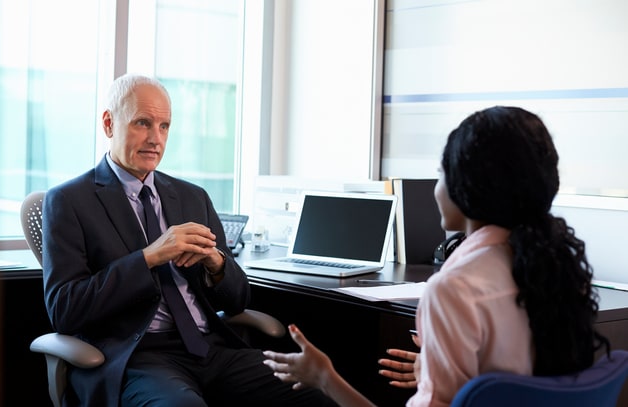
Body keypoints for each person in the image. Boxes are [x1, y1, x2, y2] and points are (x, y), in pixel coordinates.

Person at [262, 106, 611, 406]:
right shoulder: (561, 271)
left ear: (467, 186)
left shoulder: (453, 290)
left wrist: (325, 377)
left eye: (442, 172)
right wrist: (440, 372)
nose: (436, 186)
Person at [41, 73, 338, 407]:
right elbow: (64, 309)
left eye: (164, 126)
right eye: (143, 123)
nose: (156, 139)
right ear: (109, 123)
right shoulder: (68, 201)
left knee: (320, 392)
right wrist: (149, 257)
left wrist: (217, 266)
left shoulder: (192, 197)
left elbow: (238, 299)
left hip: (211, 348)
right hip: (140, 357)